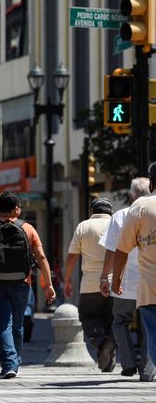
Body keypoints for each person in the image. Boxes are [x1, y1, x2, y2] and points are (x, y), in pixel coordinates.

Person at [0, 191, 55, 379]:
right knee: (17, 324)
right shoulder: (28, 229)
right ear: (16, 209)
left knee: (3, 324)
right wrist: (48, 285)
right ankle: (14, 361)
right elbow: (41, 257)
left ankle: (9, 364)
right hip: (22, 283)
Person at [100, 177, 155, 381]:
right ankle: (148, 371)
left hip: (125, 282)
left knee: (119, 321)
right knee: (150, 325)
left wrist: (106, 277)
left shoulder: (121, 215)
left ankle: (129, 363)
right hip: (148, 281)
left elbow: (113, 251)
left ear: (131, 196)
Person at [114, 162, 156, 376]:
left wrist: (114, 281)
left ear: (152, 183)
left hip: (150, 290)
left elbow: (121, 249)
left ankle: (147, 370)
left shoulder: (139, 207)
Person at [64, 198, 115, 372]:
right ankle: (109, 359)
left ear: (92, 210)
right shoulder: (117, 224)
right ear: (111, 211)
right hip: (115, 283)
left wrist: (67, 279)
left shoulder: (83, 226)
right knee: (112, 320)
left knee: (89, 317)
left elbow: (72, 256)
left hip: (90, 284)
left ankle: (101, 343)